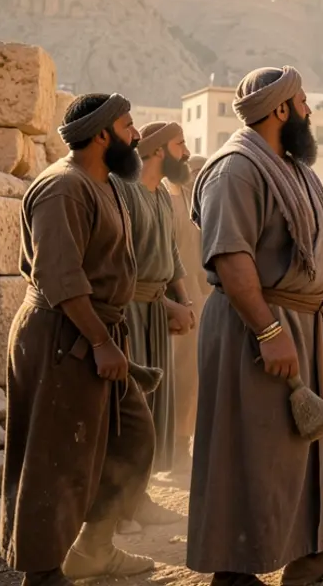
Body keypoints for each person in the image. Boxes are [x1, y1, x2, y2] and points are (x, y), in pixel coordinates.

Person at [187, 66, 323, 586]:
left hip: (306, 324)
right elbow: (231, 259)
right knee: (252, 447)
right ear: (280, 110)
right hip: (256, 328)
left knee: (315, 448)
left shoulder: (297, 170)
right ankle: (235, 569)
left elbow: (319, 255)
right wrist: (270, 332)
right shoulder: (236, 170)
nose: (311, 110)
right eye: (304, 101)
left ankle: (318, 554)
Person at [1, 93, 156, 586]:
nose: (137, 136)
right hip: (62, 336)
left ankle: (93, 549)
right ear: (103, 133)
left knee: (129, 437)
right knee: (56, 456)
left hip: (94, 332)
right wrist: (100, 343)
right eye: (129, 126)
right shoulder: (63, 188)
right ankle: (42, 573)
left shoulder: (104, 183)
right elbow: (59, 275)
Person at [116, 121, 196, 525]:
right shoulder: (124, 190)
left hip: (157, 310)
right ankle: (117, 509)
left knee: (153, 406)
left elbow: (172, 254)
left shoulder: (163, 194)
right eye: (180, 145)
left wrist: (183, 298)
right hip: (129, 311)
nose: (186, 152)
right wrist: (168, 304)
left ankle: (140, 495)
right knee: (129, 408)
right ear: (159, 150)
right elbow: (120, 261)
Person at [167, 154, 209, 474]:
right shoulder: (168, 202)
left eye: (202, 172)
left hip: (199, 295)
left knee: (191, 376)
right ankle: (171, 450)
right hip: (172, 295)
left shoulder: (202, 206)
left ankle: (183, 447)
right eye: (193, 171)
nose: (196, 176)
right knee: (175, 374)